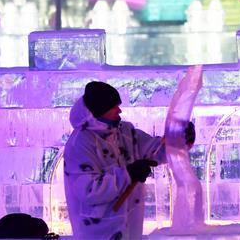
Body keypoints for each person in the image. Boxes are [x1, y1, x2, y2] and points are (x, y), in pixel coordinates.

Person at [63, 81, 196, 239]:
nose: (119, 110)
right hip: (98, 230)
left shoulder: (125, 131)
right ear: (99, 111)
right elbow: (89, 190)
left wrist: (179, 140)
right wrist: (129, 173)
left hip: (130, 227)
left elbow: (155, 151)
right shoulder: (80, 143)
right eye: (113, 107)